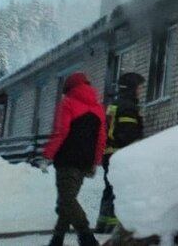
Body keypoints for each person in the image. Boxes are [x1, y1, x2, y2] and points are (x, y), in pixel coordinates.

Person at [42, 72, 106, 246]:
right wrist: (95, 161)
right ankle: (57, 239)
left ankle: (86, 237)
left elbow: (60, 132)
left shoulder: (67, 103)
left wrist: (47, 155)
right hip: (85, 162)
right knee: (67, 200)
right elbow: (101, 138)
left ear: (69, 88)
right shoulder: (98, 108)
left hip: (67, 160)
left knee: (67, 200)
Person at [94, 72, 144, 234]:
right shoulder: (128, 107)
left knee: (109, 187)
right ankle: (114, 226)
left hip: (109, 153)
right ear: (131, 88)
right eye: (138, 88)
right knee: (119, 189)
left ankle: (102, 223)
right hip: (120, 154)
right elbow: (127, 134)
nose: (140, 91)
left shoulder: (114, 104)